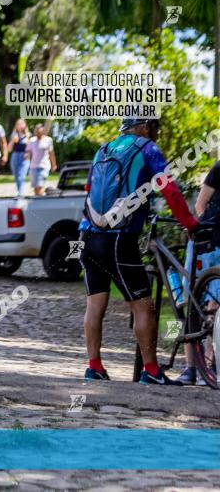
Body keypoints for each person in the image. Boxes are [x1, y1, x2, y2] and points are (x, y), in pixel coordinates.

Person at [79, 118, 198, 385]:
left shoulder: (104, 149)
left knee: (95, 303)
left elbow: (89, 190)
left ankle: (94, 367)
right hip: (119, 238)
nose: (156, 133)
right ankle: (152, 372)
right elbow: (169, 189)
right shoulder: (147, 149)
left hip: (88, 234)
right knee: (144, 306)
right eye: (155, 127)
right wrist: (189, 223)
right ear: (144, 126)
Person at [175, 160, 220, 384]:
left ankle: (210, 366)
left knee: (215, 306)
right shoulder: (219, 167)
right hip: (207, 242)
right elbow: (201, 205)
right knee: (193, 301)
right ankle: (191, 367)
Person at [25, 124, 56, 196]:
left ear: (43, 132)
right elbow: (28, 151)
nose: (38, 133)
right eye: (37, 132)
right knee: (36, 188)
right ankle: (37, 201)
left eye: (40, 132)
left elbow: (51, 153)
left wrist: (53, 164)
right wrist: (26, 155)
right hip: (33, 167)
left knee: (40, 186)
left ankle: (42, 202)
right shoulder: (32, 140)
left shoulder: (48, 140)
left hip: (44, 166)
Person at [9, 119, 30, 197]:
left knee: (21, 175)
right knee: (16, 176)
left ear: (25, 125)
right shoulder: (13, 135)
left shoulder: (28, 135)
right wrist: (12, 141)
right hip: (15, 156)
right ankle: (19, 191)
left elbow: (31, 148)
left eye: (22, 124)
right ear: (16, 126)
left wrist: (28, 152)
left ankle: (20, 193)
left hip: (24, 157)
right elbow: (9, 149)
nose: (20, 126)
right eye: (18, 124)